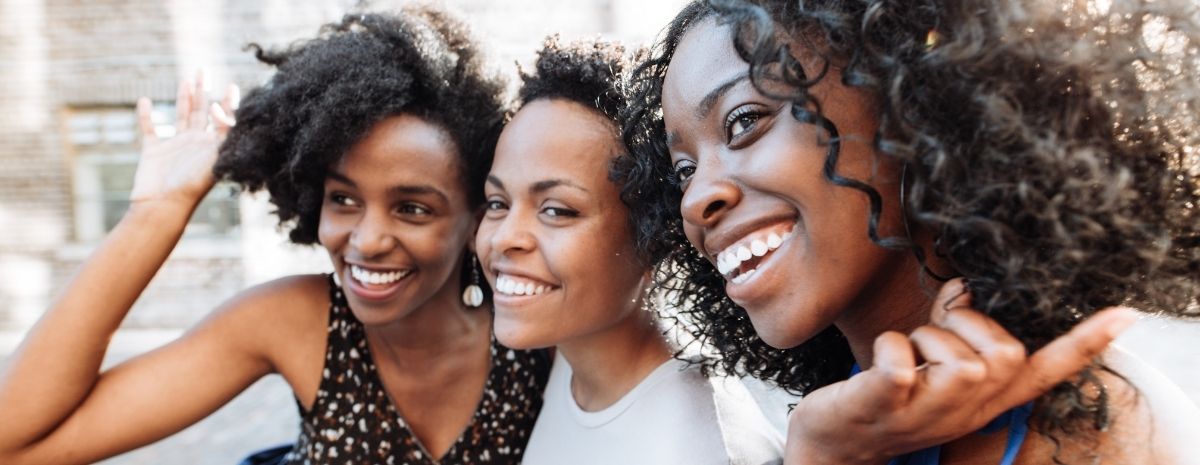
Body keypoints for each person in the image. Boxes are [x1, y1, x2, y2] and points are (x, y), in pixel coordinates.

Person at [620, 0, 1200, 464]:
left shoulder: (1109, 434)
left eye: (744, 122)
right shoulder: (837, 423)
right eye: (684, 170)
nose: (695, 200)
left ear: (911, 100)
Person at [0, 8, 548, 465]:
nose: (368, 240)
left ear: (480, 215)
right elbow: (15, 442)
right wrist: (156, 213)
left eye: (411, 208)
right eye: (344, 199)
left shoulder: (539, 330)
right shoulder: (295, 320)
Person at [474, 36, 783, 464]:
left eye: (557, 211)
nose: (506, 236)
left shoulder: (704, 446)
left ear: (652, 238)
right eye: (497, 203)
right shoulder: (565, 355)